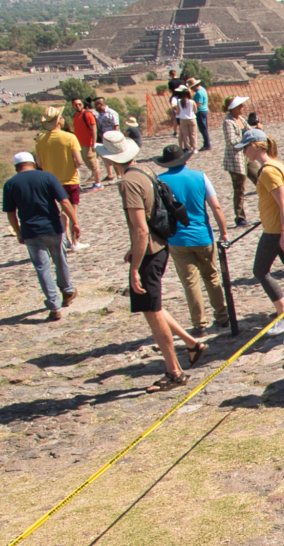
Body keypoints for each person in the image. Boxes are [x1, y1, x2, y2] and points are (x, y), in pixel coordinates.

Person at [96, 130, 208, 392]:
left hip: (149, 251)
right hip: (159, 245)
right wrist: (134, 251)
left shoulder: (127, 183)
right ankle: (192, 343)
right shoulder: (145, 171)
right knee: (153, 306)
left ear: (111, 159)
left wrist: (134, 267)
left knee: (152, 311)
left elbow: (140, 229)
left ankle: (174, 371)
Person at [156, 145, 230, 337]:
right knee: (212, 277)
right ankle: (222, 317)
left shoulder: (160, 181)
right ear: (185, 159)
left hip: (177, 239)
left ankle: (199, 323)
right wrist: (223, 232)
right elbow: (216, 207)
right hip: (203, 236)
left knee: (190, 282)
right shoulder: (200, 177)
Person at [236, 129, 284, 333]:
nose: (244, 152)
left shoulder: (267, 171)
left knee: (260, 270)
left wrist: (283, 234)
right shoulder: (277, 165)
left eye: (246, 148)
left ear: (256, 146)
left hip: (276, 230)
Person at [2, 152, 79, 320]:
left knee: (42, 268)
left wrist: (18, 232)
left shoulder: (10, 184)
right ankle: (67, 291)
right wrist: (75, 222)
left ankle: (54, 305)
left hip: (31, 232)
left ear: (16, 167)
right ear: (33, 164)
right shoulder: (47, 177)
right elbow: (64, 202)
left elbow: (11, 214)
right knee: (60, 259)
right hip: (53, 227)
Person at [35, 107, 87, 251]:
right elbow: (79, 161)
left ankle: (64, 241)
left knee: (58, 212)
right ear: (59, 120)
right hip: (69, 179)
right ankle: (74, 241)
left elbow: (39, 163)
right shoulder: (69, 138)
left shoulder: (39, 140)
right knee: (71, 211)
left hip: (49, 181)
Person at [222, 96, 251, 227]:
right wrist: (245, 137)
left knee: (259, 178)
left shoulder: (241, 120)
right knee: (239, 188)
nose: (242, 107)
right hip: (235, 159)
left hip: (248, 156)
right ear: (232, 108)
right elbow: (231, 141)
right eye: (240, 105)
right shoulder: (228, 122)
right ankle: (240, 217)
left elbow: (250, 131)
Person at [71, 97, 103, 192]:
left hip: (88, 144)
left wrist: (93, 143)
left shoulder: (87, 115)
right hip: (79, 144)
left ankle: (98, 184)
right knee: (86, 163)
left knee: (93, 164)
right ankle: (94, 182)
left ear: (83, 105)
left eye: (79, 104)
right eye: (75, 105)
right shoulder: (76, 116)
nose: (78, 106)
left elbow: (94, 129)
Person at [93, 97, 120, 182]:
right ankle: (110, 175)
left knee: (115, 157)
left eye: (96, 105)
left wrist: (115, 138)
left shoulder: (111, 113)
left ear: (100, 104)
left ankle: (119, 175)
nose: (95, 107)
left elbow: (116, 126)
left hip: (113, 138)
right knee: (107, 157)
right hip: (104, 139)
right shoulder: (99, 115)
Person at [190, 78, 212, 151]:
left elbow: (199, 104)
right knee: (204, 128)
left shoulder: (199, 93)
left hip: (200, 111)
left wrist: (191, 106)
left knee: (203, 128)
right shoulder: (203, 90)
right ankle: (206, 143)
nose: (192, 89)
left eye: (192, 87)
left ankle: (207, 144)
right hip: (204, 111)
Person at [174, 87, 197, 152]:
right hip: (192, 118)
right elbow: (195, 111)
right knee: (193, 134)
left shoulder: (179, 101)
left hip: (183, 119)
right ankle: (194, 148)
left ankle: (187, 148)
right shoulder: (192, 102)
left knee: (185, 135)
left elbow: (178, 111)